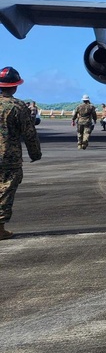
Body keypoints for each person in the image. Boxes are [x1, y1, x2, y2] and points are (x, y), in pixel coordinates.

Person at [0, 66, 42, 240]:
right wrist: (35, 154)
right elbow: (29, 134)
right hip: (9, 156)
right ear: (15, 86)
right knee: (5, 188)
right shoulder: (18, 107)